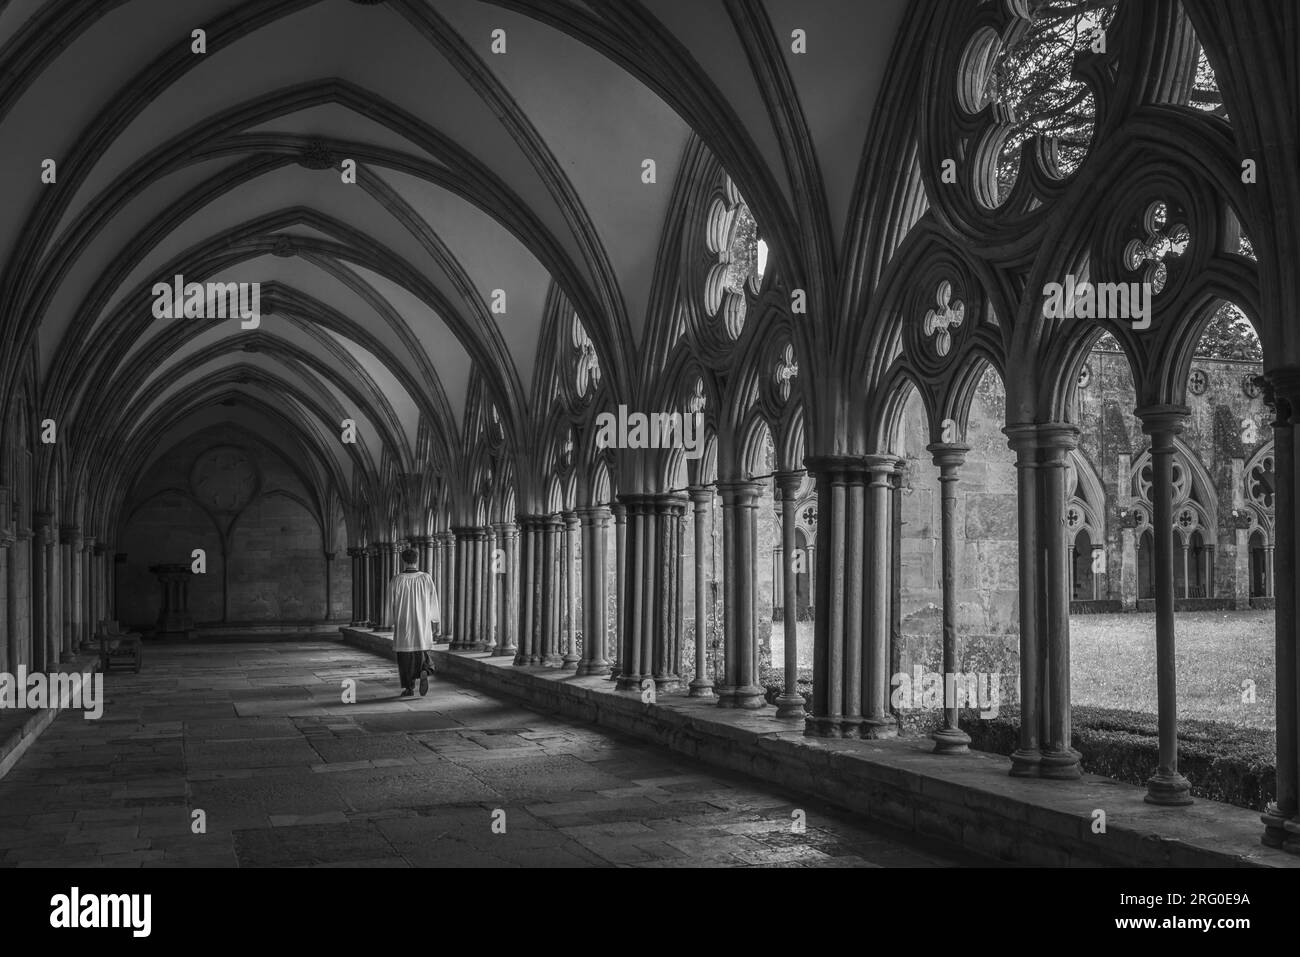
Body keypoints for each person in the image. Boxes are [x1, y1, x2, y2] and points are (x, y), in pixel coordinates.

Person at [385, 547, 440, 696]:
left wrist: (389, 620)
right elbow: (433, 599)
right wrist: (434, 617)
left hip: (404, 621)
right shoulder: (426, 578)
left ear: (403, 560)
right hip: (421, 620)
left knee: (405, 655)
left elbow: (390, 602)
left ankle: (409, 687)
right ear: (417, 560)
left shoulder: (397, 579)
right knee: (421, 648)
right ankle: (424, 669)